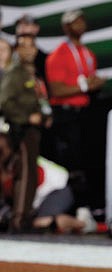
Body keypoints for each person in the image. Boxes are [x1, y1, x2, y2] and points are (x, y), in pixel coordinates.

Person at [44, 9, 106, 196]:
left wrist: (95, 84)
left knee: (87, 160)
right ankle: (70, 205)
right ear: (65, 27)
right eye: (74, 22)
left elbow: (88, 81)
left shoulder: (88, 54)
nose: (79, 25)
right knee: (70, 164)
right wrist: (86, 86)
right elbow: (56, 90)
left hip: (84, 113)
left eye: (81, 21)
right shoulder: (58, 55)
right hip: (65, 115)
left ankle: (86, 204)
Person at [0, 34, 52, 232]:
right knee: (25, 175)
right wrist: (26, 117)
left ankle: (23, 216)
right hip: (20, 131)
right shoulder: (15, 72)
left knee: (30, 176)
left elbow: (37, 99)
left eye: (32, 47)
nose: (29, 51)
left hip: (32, 131)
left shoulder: (32, 72)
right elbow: (5, 103)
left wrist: (44, 115)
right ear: (17, 51)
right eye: (24, 47)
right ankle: (19, 219)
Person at [0, 133, 96, 234]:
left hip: (57, 190)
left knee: (39, 223)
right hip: (35, 200)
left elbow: (24, 195)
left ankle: (82, 222)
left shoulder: (19, 163)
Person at [14, 14, 48, 85]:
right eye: (19, 25)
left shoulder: (45, 59)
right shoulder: (5, 53)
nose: (22, 28)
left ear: (36, 28)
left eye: (26, 24)